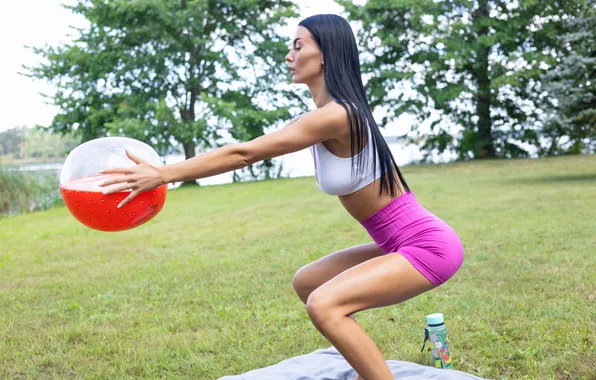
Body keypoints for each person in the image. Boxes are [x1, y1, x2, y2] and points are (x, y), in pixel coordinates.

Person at [99, 14, 464, 380]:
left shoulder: (339, 116)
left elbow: (243, 154)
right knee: (309, 284)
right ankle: (364, 362)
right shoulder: (322, 116)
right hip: (395, 243)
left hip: (426, 245)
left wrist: (163, 175)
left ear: (325, 55)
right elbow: (245, 148)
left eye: (298, 45)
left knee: (325, 305)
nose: (289, 55)